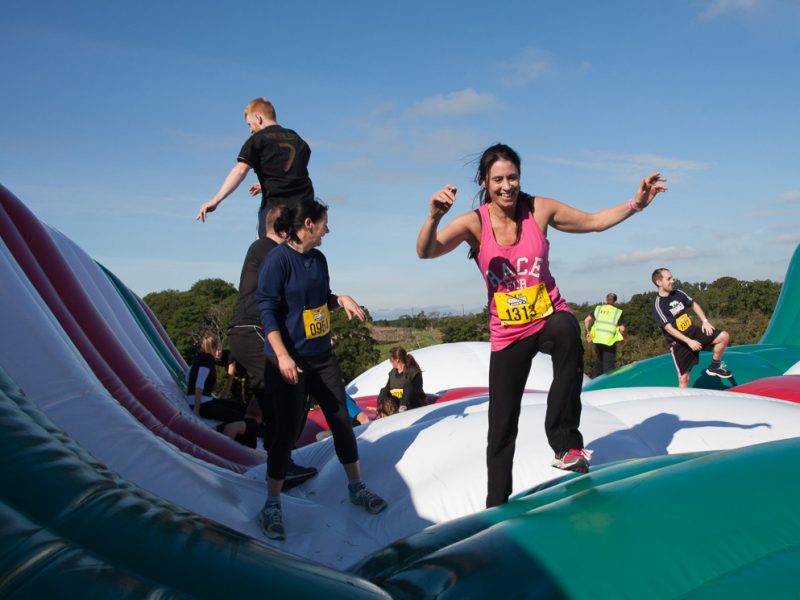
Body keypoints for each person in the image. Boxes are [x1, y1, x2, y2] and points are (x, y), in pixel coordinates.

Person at [416, 143, 667, 508]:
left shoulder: (539, 209)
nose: (507, 186)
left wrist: (637, 204)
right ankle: (495, 506)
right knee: (501, 427)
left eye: (513, 177)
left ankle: (565, 443)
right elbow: (426, 251)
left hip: (548, 316)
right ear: (485, 182)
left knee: (567, 331)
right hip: (508, 334)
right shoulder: (475, 222)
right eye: (498, 179)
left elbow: (594, 222)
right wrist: (433, 217)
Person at [256, 197, 387, 540]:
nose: (328, 229)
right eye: (324, 223)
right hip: (288, 361)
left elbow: (318, 298)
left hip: (320, 357)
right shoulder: (277, 261)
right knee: (286, 430)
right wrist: (283, 356)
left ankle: (356, 486)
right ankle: (271, 502)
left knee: (341, 419)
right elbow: (268, 310)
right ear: (308, 224)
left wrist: (339, 299)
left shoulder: (318, 259)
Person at [227, 203, 317, 486]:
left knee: (272, 396)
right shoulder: (268, 250)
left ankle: (274, 456)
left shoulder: (262, 249)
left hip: (248, 332)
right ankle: (282, 465)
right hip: (253, 330)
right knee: (288, 390)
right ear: (282, 231)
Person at [196, 97, 315, 238]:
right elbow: (292, 171)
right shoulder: (299, 140)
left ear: (258, 118)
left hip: (276, 212)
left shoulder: (258, 139)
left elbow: (240, 171)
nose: (250, 130)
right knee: (299, 256)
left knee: (268, 255)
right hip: (304, 212)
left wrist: (216, 200)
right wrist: (265, 183)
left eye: (249, 124)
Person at [651, 268, 733, 387]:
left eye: (672, 277)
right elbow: (669, 329)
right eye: (669, 279)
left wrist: (705, 321)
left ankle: (714, 367)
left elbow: (693, 304)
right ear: (659, 282)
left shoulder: (678, 293)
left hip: (693, 332)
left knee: (723, 337)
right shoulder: (658, 305)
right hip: (680, 343)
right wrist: (689, 342)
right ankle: (682, 404)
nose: (673, 280)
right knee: (684, 378)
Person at [185, 333, 247, 422]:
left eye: (220, 349)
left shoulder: (199, 357)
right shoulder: (208, 360)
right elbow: (199, 384)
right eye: (217, 349)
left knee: (241, 407)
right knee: (240, 416)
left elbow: (188, 376)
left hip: (202, 399)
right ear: (211, 348)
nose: (219, 352)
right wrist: (196, 409)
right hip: (201, 403)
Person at [584, 292, 626, 377]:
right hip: (609, 341)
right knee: (608, 367)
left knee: (599, 362)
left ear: (605, 300)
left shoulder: (598, 309)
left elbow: (586, 320)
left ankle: (595, 383)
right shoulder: (617, 312)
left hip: (597, 340)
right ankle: (607, 386)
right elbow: (622, 329)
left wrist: (588, 333)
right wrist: (623, 338)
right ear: (615, 302)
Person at [375, 346, 427, 414]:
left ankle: (403, 407)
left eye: (391, 359)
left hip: (412, 402)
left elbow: (417, 389)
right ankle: (380, 409)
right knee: (384, 390)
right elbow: (387, 387)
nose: (390, 361)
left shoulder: (413, 371)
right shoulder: (393, 373)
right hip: (397, 402)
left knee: (408, 384)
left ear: (397, 360)